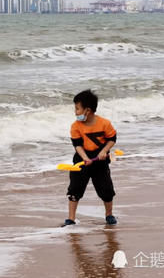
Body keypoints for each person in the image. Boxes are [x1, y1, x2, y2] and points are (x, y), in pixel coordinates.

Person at [62, 89, 118, 226]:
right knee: (75, 189)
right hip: (81, 159)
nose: (75, 112)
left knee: (106, 189)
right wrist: (84, 158)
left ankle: (109, 215)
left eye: (77, 109)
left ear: (87, 110)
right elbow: (77, 145)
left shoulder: (104, 123)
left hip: (100, 160)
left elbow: (112, 139)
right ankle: (71, 219)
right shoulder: (75, 126)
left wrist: (104, 151)